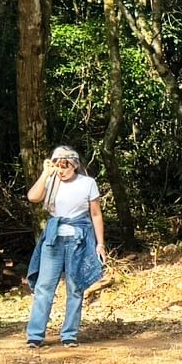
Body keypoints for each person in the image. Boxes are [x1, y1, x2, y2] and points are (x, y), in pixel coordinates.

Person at [25, 146, 104, 349]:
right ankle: (35, 335)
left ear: (74, 165)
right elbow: (33, 197)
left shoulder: (87, 183)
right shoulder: (51, 181)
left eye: (64, 165)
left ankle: (69, 334)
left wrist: (100, 243)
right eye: (57, 164)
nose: (61, 169)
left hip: (78, 240)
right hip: (54, 240)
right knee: (44, 287)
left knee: (75, 287)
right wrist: (45, 173)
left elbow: (95, 214)